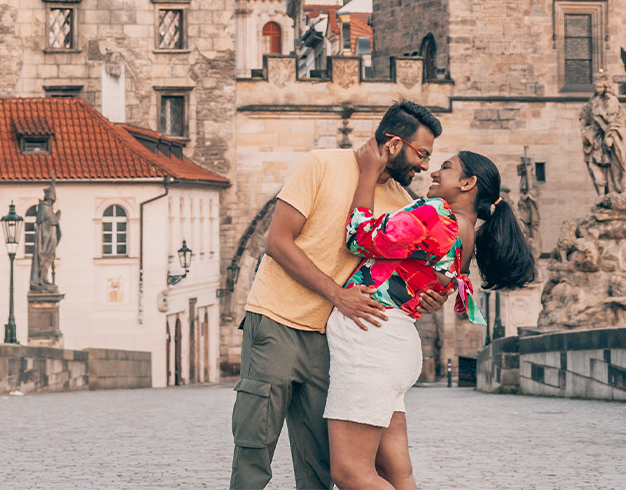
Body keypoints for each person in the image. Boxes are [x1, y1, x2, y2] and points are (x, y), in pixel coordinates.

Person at [230, 101, 447, 490]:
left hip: (335, 341)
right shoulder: (322, 164)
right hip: (277, 321)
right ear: (394, 144)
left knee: (319, 463)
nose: (425, 167)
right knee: (254, 447)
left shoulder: (405, 204)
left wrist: (431, 298)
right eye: (422, 154)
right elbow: (277, 242)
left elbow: (408, 275)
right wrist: (337, 294)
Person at [325, 144, 536, 490]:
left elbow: (359, 237)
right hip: (394, 344)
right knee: (398, 474)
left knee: (349, 472)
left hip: (371, 341)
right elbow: (434, 285)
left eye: (447, 167)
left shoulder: (437, 213)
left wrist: (366, 172)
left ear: (468, 183)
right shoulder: (466, 234)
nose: (435, 172)